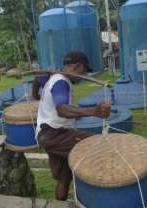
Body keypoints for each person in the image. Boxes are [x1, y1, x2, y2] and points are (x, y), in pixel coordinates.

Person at [32, 51, 111, 201]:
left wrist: (35, 95)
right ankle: (98, 198)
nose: (85, 75)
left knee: (64, 178)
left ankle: (59, 204)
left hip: (46, 135)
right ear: (76, 66)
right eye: (84, 70)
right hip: (55, 134)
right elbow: (62, 109)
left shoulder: (52, 77)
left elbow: (37, 79)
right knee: (99, 145)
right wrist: (94, 111)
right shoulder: (61, 82)